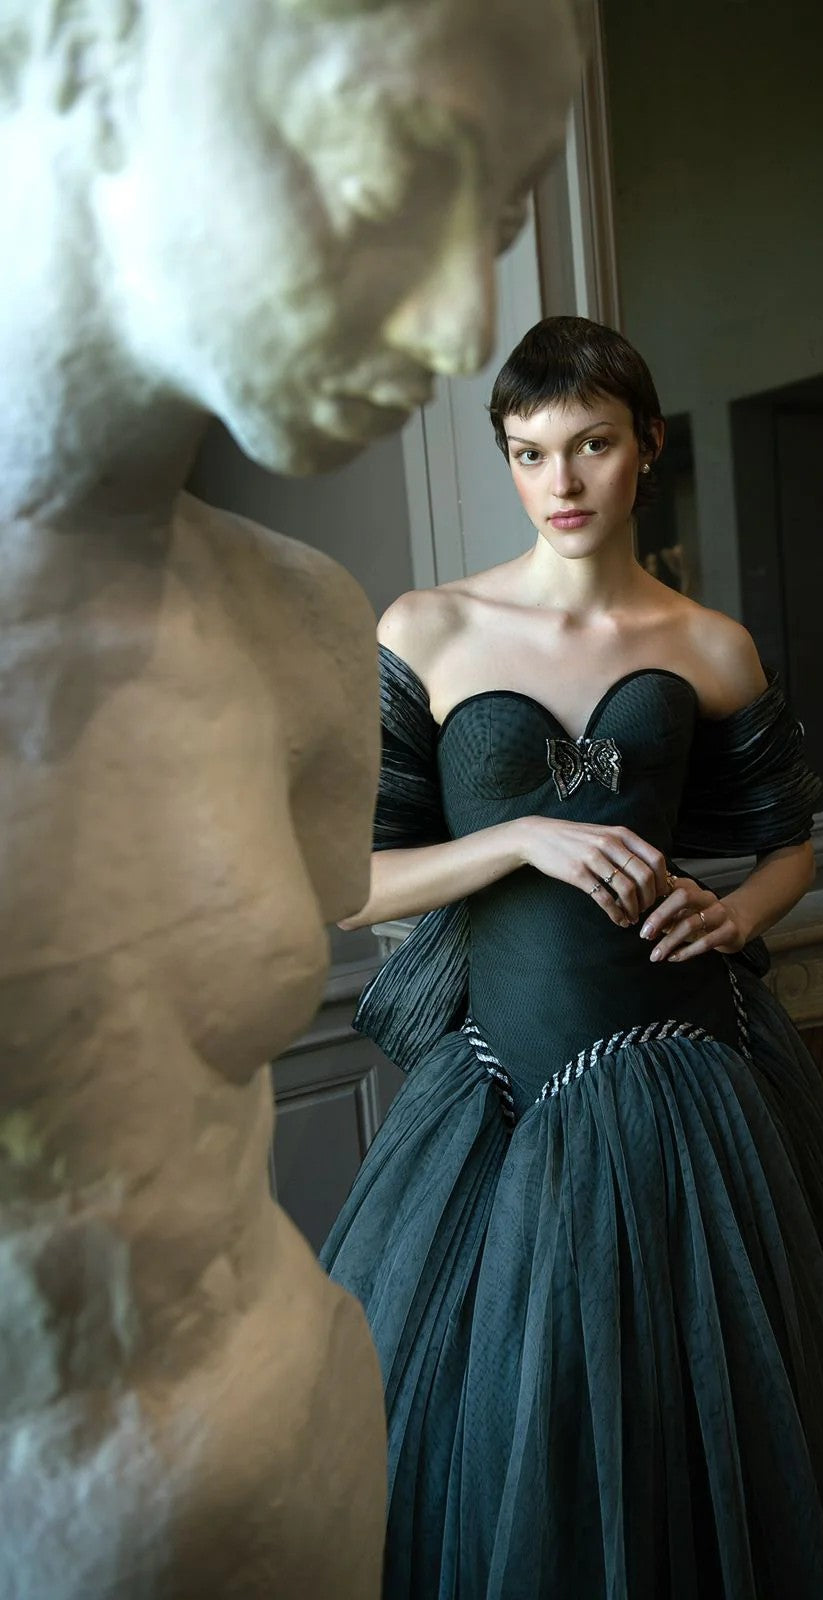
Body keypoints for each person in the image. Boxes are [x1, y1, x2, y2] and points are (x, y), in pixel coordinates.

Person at [0, 4, 586, 1596]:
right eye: (384, 164)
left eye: (503, 223)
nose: (460, 324)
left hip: (307, 1446)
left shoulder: (298, 624)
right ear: (82, 46)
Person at [323, 316, 823, 1599]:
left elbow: (790, 847)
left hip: (694, 1068)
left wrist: (739, 916)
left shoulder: (708, 643)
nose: (560, 481)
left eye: (592, 445)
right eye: (529, 453)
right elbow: (348, 885)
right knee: (517, 1420)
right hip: (505, 1081)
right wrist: (521, 837)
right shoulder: (429, 627)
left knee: (726, 1411)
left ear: (648, 447)